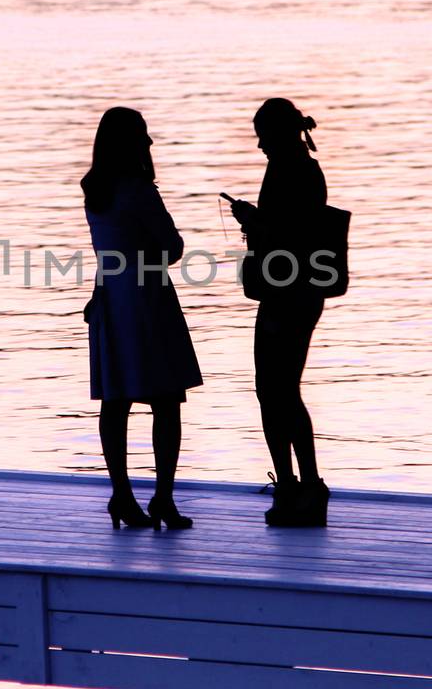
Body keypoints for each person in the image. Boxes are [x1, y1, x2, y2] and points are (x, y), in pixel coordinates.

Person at [83, 107, 202, 531]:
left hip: (110, 298)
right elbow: (170, 248)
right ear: (130, 143)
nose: (151, 144)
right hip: (148, 298)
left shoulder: (94, 190)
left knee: (116, 402)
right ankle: (163, 499)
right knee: (167, 402)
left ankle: (122, 495)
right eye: (145, 136)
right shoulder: (138, 190)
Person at [227, 98, 331, 527]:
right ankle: (298, 486)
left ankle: (300, 487)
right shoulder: (299, 167)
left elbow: (289, 236)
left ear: (280, 134)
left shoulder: (294, 170)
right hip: (297, 292)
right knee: (277, 389)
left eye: (263, 137)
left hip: (288, 293)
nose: (259, 147)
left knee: (277, 390)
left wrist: (252, 220)